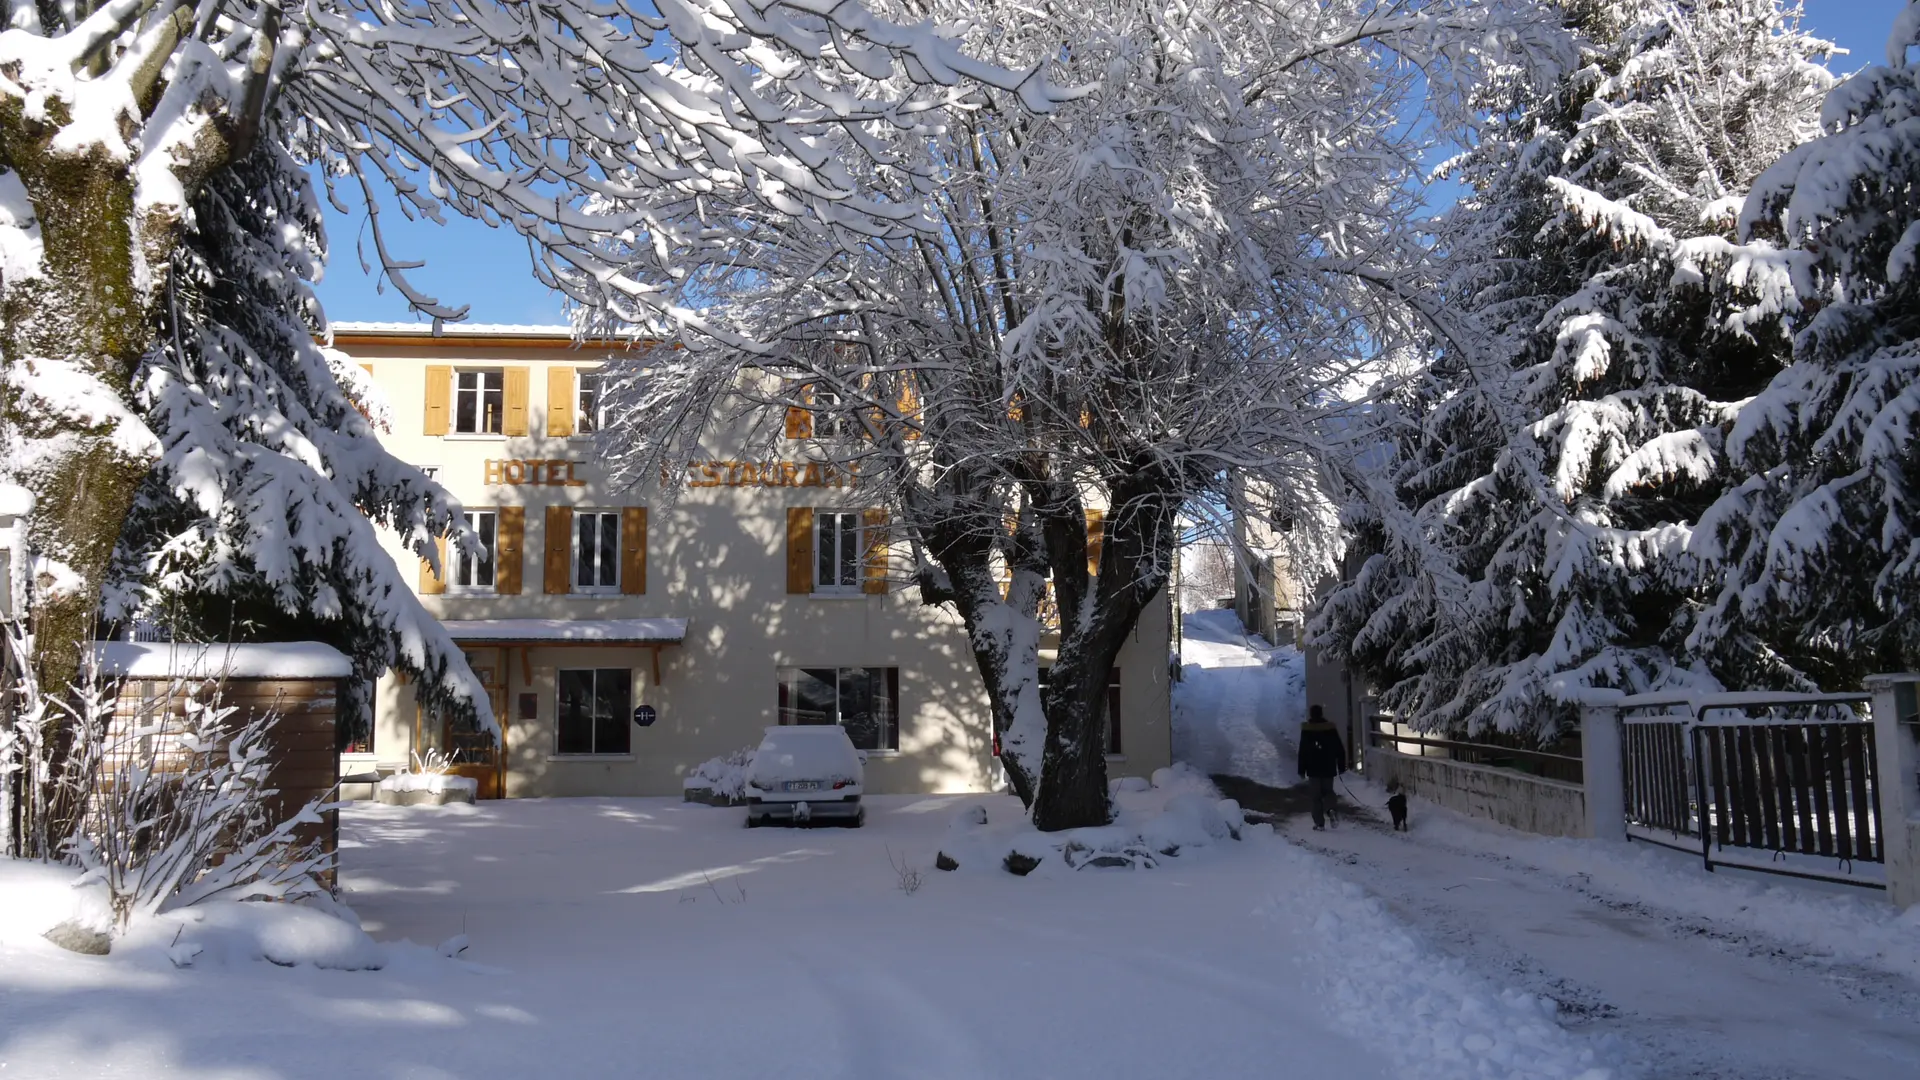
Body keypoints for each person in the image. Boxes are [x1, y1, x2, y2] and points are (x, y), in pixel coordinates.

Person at [1297, 704, 1348, 830]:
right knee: (1328, 792)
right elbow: (1339, 748)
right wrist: (1341, 765)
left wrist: (1301, 770)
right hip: (1328, 767)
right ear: (1321, 713)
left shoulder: (1307, 730)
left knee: (1316, 797)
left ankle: (1319, 823)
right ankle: (1331, 810)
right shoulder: (1330, 729)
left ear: (1311, 714)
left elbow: (1302, 751)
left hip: (1313, 768)